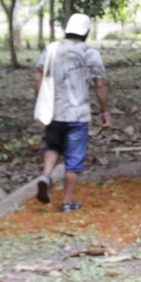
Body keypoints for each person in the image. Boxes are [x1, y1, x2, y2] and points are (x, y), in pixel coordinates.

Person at [32, 13, 111, 213]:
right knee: (74, 158)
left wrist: (41, 101)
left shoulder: (51, 48)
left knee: (53, 145)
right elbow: (99, 85)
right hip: (78, 114)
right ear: (86, 32)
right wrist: (105, 112)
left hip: (54, 110)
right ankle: (67, 202)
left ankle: (47, 175)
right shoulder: (90, 53)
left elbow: (38, 76)